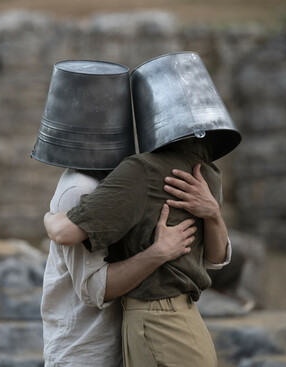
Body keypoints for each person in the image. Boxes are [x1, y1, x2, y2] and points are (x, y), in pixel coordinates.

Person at [44, 52, 242, 367]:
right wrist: (207, 219)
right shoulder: (205, 173)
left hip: (152, 327)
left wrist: (48, 221)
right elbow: (215, 261)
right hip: (128, 337)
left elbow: (65, 232)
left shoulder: (144, 171)